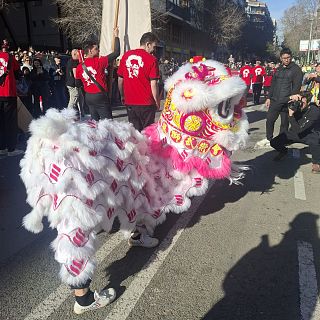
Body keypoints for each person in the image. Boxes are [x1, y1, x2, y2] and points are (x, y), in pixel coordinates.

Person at [118, 32, 160, 132]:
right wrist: (157, 101)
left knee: (135, 132)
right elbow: (153, 84)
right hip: (146, 102)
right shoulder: (152, 60)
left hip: (130, 101)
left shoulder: (126, 56)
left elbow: (120, 80)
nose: (154, 50)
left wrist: (122, 95)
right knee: (147, 132)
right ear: (148, 44)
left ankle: (136, 148)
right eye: (154, 47)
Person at [75, 27, 120, 121]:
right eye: (96, 49)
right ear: (90, 51)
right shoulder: (99, 62)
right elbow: (116, 52)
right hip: (99, 95)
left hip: (89, 96)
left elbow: (78, 84)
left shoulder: (79, 66)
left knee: (95, 123)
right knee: (108, 123)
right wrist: (116, 36)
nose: (98, 50)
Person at [270, 93, 320, 173]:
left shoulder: (314, 111)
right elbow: (276, 105)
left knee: (315, 142)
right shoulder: (294, 106)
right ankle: (283, 151)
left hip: (309, 134)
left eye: (302, 103)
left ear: (308, 102)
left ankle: (316, 163)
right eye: (299, 101)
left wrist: (291, 116)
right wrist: (289, 98)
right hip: (295, 132)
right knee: (274, 142)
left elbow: (299, 130)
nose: (300, 104)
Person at [265, 48, 303, 143]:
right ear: (281, 58)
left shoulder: (296, 69)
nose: (286, 60)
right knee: (269, 120)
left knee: (284, 123)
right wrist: (269, 97)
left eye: (288, 57)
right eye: (284, 58)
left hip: (287, 100)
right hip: (275, 100)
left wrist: (292, 98)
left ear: (291, 57)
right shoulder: (278, 69)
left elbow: (297, 85)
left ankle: (281, 141)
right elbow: (273, 84)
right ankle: (269, 138)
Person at [0, 42, 24, 156]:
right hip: (8, 92)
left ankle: (2, 147)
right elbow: (17, 71)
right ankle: (11, 149)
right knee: (10, 121)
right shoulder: (9, 57)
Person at [66, 49, 81, 115]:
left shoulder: (70, 61)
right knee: (73, 99)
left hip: (70, 83)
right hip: (73, 84)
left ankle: (80, 113)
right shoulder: (74, 61)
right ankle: (68, 114)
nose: (80, 55)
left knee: (77, 99)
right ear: (75, 54)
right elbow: (75, 75)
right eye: (78, 54)